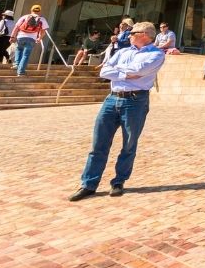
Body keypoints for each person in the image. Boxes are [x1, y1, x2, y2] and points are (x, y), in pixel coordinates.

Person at [68, 22, 166, 201]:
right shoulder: (122, 52)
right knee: (98, 143)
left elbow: (139, 70)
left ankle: (119, 182)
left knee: (129, 144)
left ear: (144, 34)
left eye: (132, 32)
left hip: (136, 101)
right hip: (112, 99)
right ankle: (88, 184)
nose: (128, 35)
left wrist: (119, 71)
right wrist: (125, 74)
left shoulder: (156, 54)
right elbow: (104, 71)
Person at [12, 5, 49, 76]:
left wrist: (12, 36)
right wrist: (39, 38)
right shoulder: (42, 19)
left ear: (31, 10)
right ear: (40, 11)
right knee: (26, 55)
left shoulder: (24, 17)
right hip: (32, 39)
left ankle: (16, 64)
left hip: (20, 37)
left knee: (19, 49)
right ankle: (21, 72)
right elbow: (43, 31)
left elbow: (16, 27)